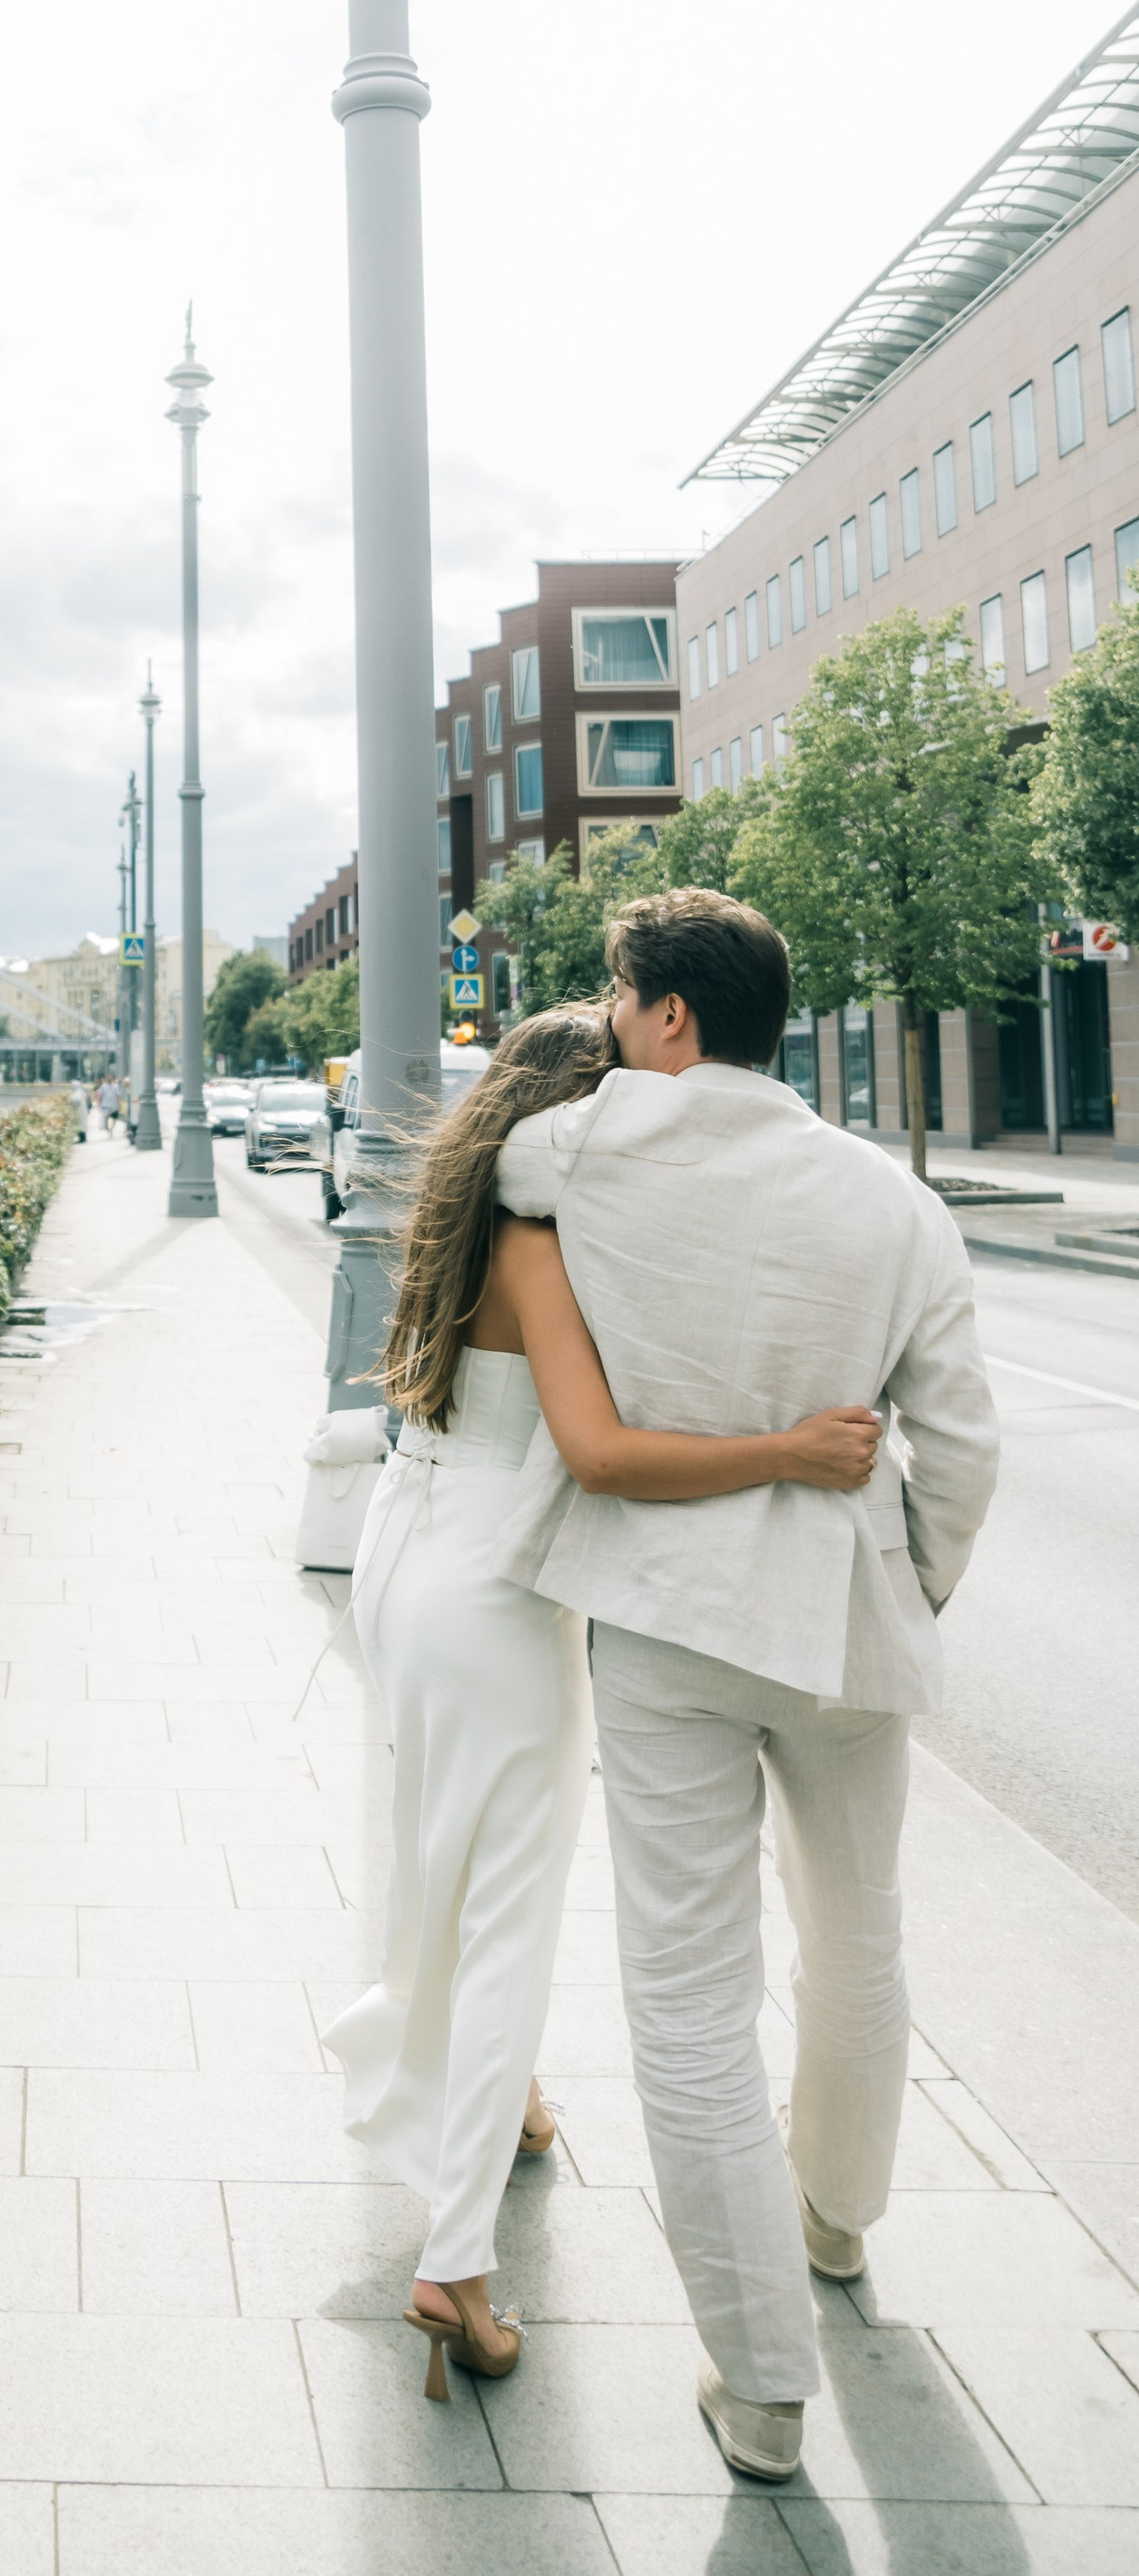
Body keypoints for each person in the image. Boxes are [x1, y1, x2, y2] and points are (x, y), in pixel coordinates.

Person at [492, 889, 998, 2481]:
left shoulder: (576, 1151)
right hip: (843, 1616)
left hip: (668, 1616)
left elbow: (505, 1166)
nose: (606, 1017)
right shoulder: (894, 1201)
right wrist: (911, 1581)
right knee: (858, 1927)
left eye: (615, 994)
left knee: (690, 1995)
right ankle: (837, 2216)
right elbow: (964, 1446)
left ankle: (764, 2384)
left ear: (668, 1016)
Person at [316, 1006, 887, 2406]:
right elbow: (602, 1454)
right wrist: (792, 1449)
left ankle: (502, 2106)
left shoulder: (461, 1217)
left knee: (437, 1866)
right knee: (507, 1919)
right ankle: (455, 2268)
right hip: (499, 1599)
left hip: (405, 1553)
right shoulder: (542, 1242)